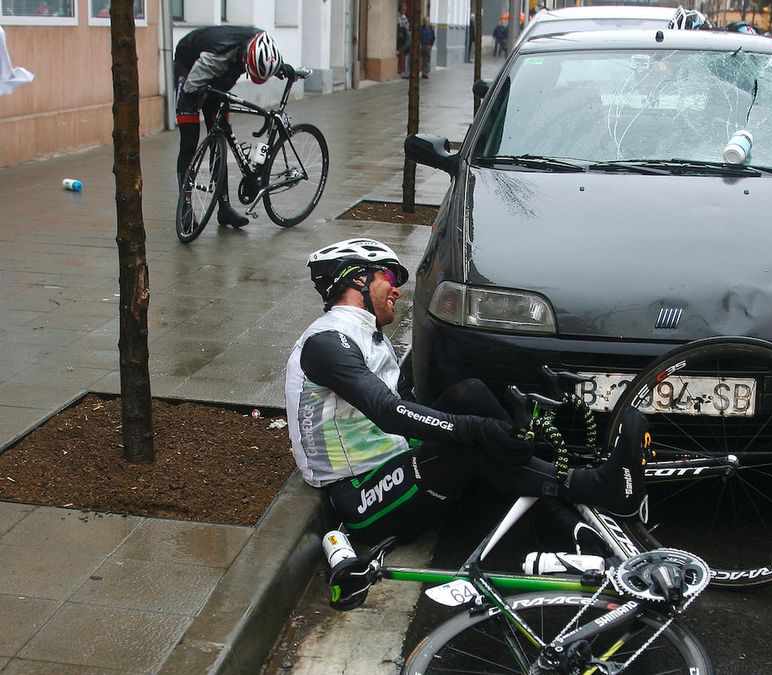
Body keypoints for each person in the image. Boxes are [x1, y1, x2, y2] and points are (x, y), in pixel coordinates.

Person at [284, 238, 647, 556]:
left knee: (468, 392)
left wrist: (525, 399)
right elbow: (389, 413)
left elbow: (415, 408)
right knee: (463, 443)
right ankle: (586, 488)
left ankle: (548, 497)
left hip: (390, 461)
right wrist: (473, 429)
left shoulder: (363, 336)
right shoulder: (327, 343)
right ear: (357, 278)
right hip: (360, 497)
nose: (397, 290)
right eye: (390, 277)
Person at [174, 27, 292, 228]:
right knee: (189, 142)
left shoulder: (259, 45)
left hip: (219, 68)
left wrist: (280, 68)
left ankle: (224, 209)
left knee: (220, 141)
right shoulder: (216, 56)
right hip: (189, 65)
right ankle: (184, 208)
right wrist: (203, 98)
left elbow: (268, 60)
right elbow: (191, 88)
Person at [396, 4, 411, 76]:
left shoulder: (404, 17)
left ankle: (405, 70)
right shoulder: (397, 16)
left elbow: (407, 25)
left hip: (404, 35)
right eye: (402, 9)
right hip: (400, 36)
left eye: (405, 9)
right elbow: (399, 25)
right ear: (400, 9)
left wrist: (405, 28)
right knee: (402, 50)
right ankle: (400, 68)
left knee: (407, 51)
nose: (404, 11)